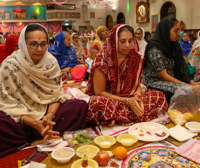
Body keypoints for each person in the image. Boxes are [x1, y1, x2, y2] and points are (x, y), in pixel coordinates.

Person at [0, 24, 88, 158]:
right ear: (23, 44)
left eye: (43, 44)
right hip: (20, 119)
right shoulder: (10, 65)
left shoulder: (51, 62)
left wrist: (49, 116)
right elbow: (7, 103)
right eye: (33, 44)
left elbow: (56, 96)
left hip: (47, 115)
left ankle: (39, 133)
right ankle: (39, 134)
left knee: (80, 106)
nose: (39, 49)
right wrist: (33, 122)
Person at [86, 24, 168, 127]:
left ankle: (115, 117)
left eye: (130, 41)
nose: (127, 45)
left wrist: (136, 99)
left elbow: (136, 86)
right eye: (123, 41)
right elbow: (99, 92)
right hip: (110, 100)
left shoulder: (135, 58)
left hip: (129, 98)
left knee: (159, 96)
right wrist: (127, 101)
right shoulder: (102, 60)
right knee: (96, 103)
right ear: (114, 41)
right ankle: (127, 115)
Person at [143, 17, 200, 104]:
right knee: (184, 91)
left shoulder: (174, 45)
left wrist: (191, 82)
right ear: (166, 30)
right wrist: (187, 86)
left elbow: (182, 67)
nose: (178, 34)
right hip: (156, 81)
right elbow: (163, 76)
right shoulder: (154, 48)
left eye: (179, 31)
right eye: (176, 31)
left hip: (173, 77)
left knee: (197, 81)